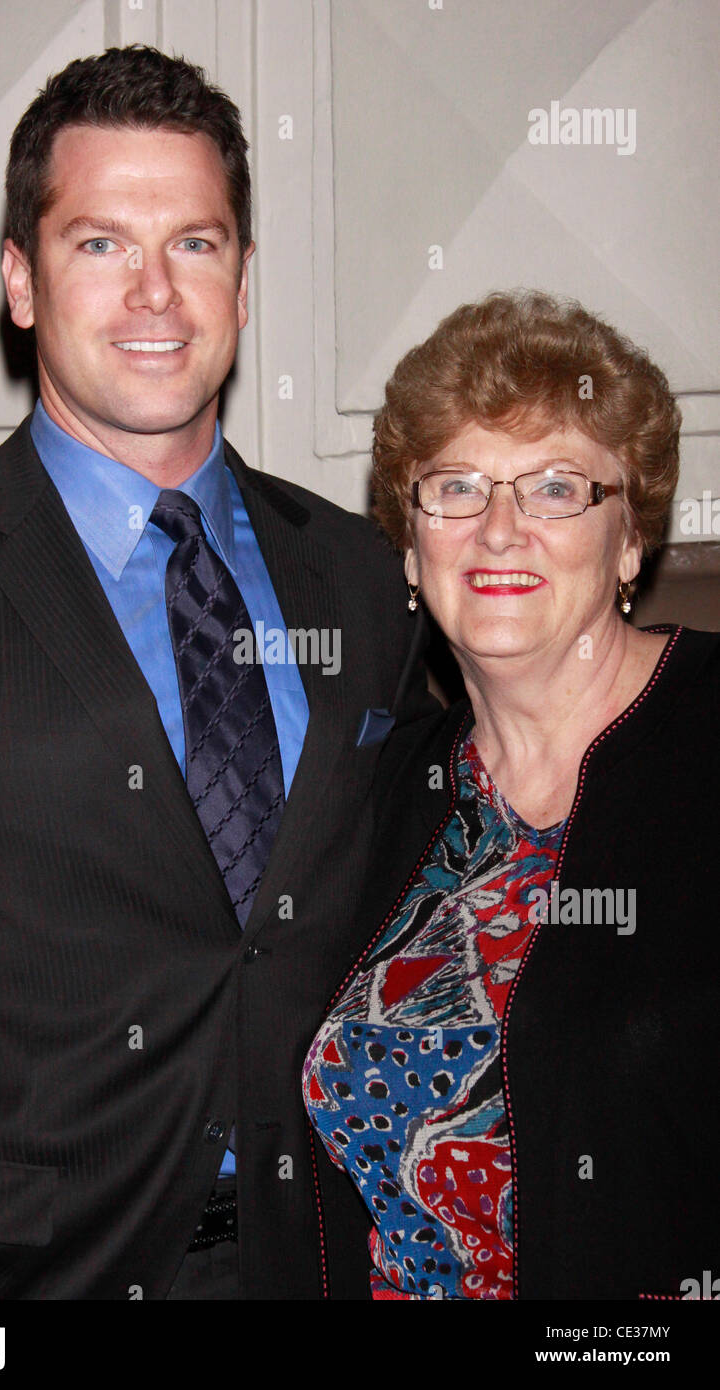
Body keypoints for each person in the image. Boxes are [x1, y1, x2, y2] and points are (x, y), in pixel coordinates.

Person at [0, 45, 431, 1300]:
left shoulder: (359, 574)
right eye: (101, 244)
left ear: (242, 278)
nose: (155, 294)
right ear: (19, 281)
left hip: (318, 1253)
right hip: (0, 1278)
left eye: (197, 243)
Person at [303, 290, 720, 1300]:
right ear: (410, 546)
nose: (497, 529)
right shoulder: (377, 784)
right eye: (454, 487)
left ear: (630, 542)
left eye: (552, 488)